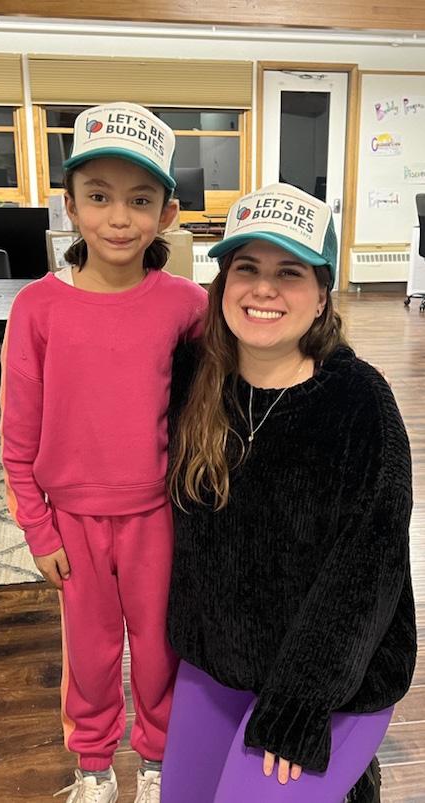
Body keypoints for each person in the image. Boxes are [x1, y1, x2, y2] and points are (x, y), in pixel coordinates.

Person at [161, 183, 417, 803]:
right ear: (222, 282)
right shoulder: (193, 374)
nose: (264, 289)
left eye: (290, 272)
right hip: (222, 659)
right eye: (247, 268)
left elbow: (367, 576)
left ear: (322, 292)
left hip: (332, 681)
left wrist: (302, 703)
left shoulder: (359, 402)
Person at [0, 102, 207, 803]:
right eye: (98, 197)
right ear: (70, 206)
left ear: (167, 213)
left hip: (159, 516)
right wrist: (37, 528)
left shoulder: (187, 305)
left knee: (160, 650)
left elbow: (213, 406)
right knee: (88, 656)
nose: (119, 218)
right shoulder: (37, 308)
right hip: (73, 524)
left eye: (140, 200)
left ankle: (157, 762)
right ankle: (92, 767)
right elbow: (17, 433)